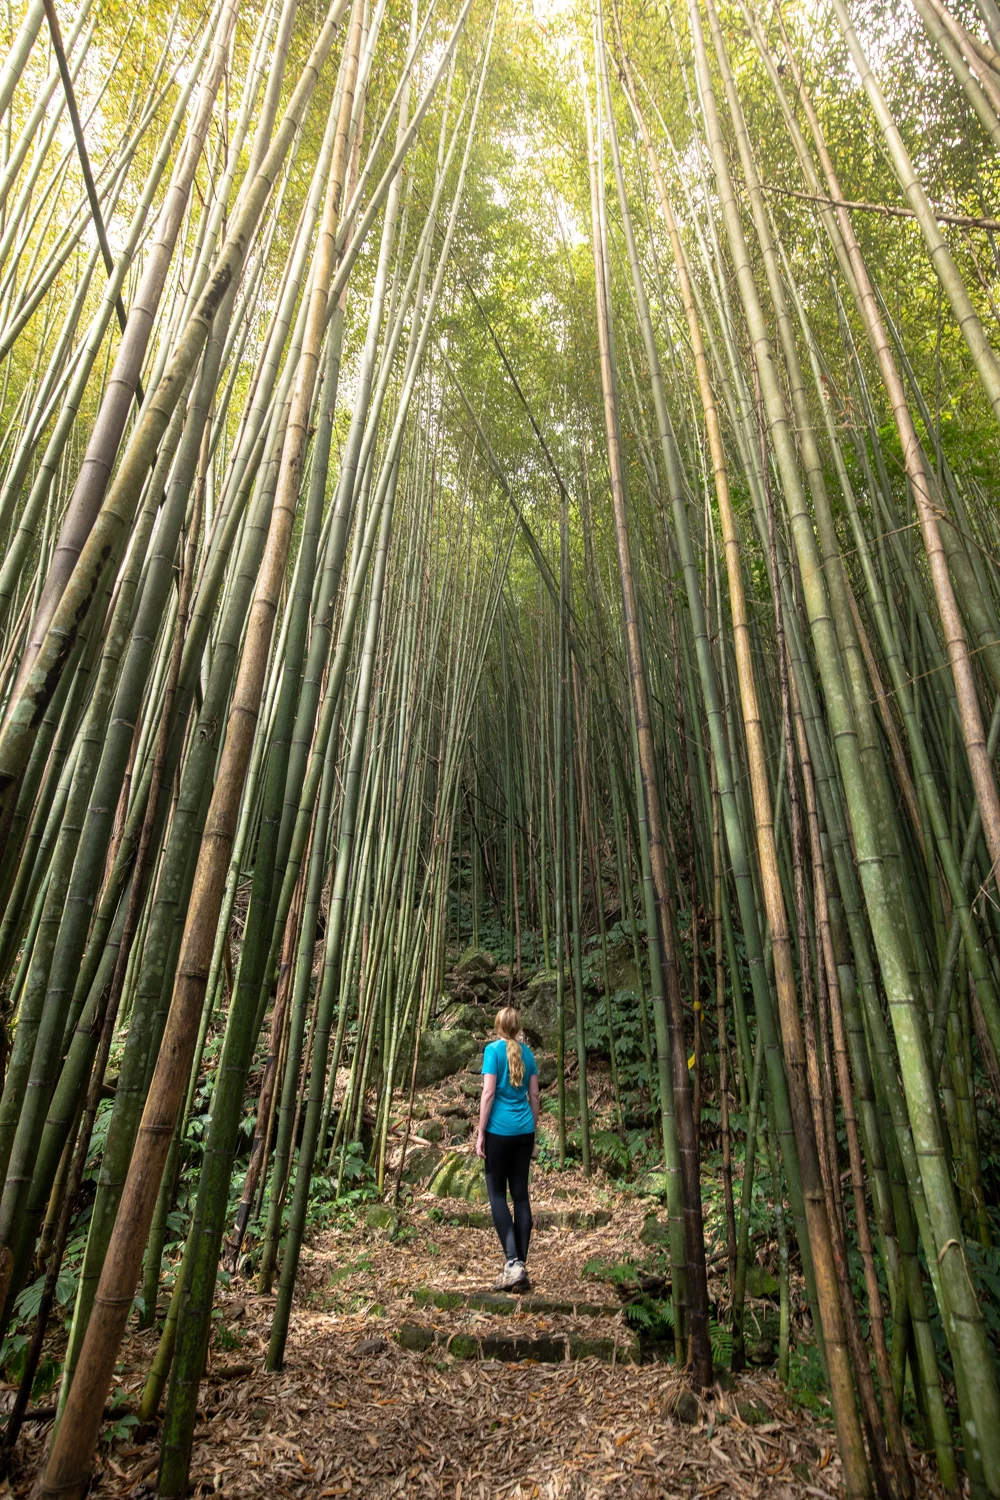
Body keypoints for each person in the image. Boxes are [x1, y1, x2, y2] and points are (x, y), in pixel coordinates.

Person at [476, 1006, 540, 1292]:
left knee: (498, 1195)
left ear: (498, 1026)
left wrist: (480, 1133)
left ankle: (513, 1263)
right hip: (524, 1131)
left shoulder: (492, 1052)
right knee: (521, 1197)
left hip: (499, 1132)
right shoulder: (528, 1054)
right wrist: (533, 1128)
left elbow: (488, 1093)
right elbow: (535, 1095)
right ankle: (520, 1267)